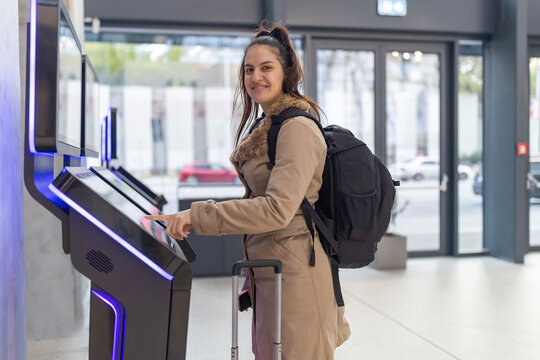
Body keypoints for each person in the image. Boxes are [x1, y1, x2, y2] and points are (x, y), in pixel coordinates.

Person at [146, 22, 351, 359]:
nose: (256, 77)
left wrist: (198, 216)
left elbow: (276, 209)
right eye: (249, 70)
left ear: (286, 72)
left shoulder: (296, 127)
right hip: (274, 271)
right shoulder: (267, 124)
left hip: (298, 276)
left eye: (266, 68)